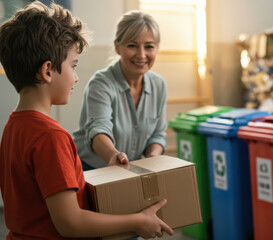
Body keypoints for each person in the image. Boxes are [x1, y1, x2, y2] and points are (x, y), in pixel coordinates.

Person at [0, 2, 173, 239]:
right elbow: (71, 223)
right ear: (48, 71)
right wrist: (137, 222)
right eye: (73, 65)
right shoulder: (52, 137)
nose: (77, 76)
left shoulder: (14, 125)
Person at [72, 10, 167, 170]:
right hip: (91, 168)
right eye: (132, 46)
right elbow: (98, 130)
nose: (141, 55)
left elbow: (158, 134)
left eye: (149, 47)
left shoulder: (159, 85)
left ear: (157, 48)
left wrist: (152, 158)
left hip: (129, 169)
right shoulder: (101, 83)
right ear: (118, 47)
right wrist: (113, 156)